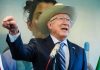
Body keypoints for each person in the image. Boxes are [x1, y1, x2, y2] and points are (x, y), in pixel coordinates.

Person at [2, 4, 87, 70]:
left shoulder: (81, 52)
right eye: (61, 18)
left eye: (68, 20)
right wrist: (14, 32)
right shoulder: (37, 44)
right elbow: (19, 54)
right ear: (50, 25)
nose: (66, 23)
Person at [2, 0, 57, 70]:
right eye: (41, 17)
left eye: (53, 18)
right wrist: (14, 32)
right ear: (30, 25)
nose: (47, 23)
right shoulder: (9, 58)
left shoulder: (69, 54)